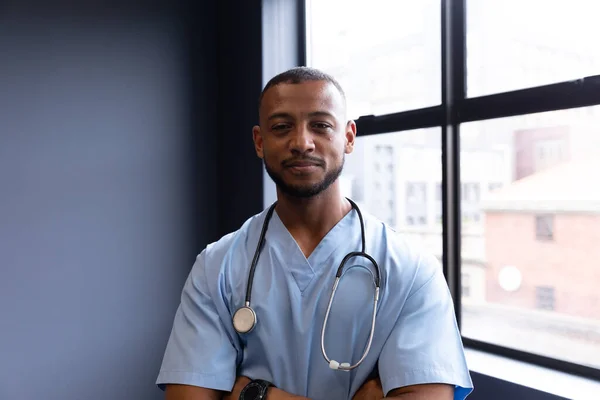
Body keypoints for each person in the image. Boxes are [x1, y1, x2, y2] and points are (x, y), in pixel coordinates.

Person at [156, 66, 474, 400]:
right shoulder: (216, 266)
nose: (302, 142)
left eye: (321, 126)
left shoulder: (410, 268)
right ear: (259, 142)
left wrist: (258, 395)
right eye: (281, 127)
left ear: (349, 137)